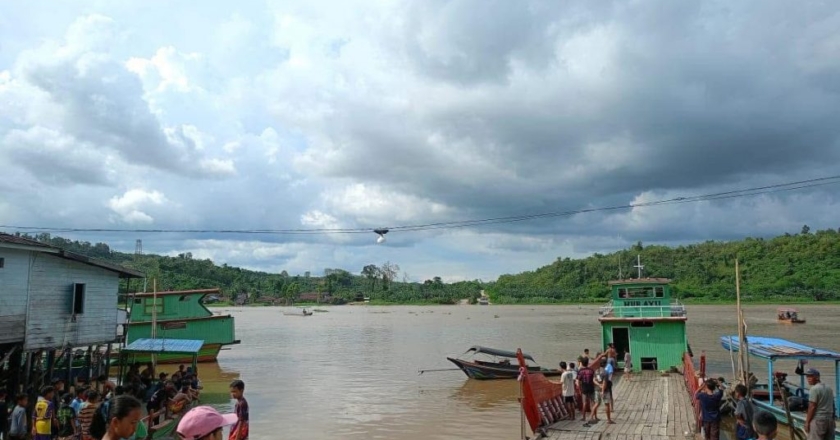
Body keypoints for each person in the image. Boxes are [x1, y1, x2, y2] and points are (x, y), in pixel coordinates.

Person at [803, 368, 836, 440]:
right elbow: (832, 405)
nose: (808, 379)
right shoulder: (829, 388)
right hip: (829, 420)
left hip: (818, 420)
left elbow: (812, 406)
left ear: (817, 377)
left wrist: (807, 422)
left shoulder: (814, 389)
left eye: (811, 376)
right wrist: (833, 419)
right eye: (807, 377)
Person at [576, 358, 596, 424]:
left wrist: (579, 389)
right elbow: (594, 379)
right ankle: (593, 417)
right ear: (588, 363)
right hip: (591, 387)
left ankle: (584, 417)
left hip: (584, 388)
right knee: (592, 402)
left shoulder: (580, 371)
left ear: (582, 363)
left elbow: (578, 381)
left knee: (584, 403)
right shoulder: (591, 370)